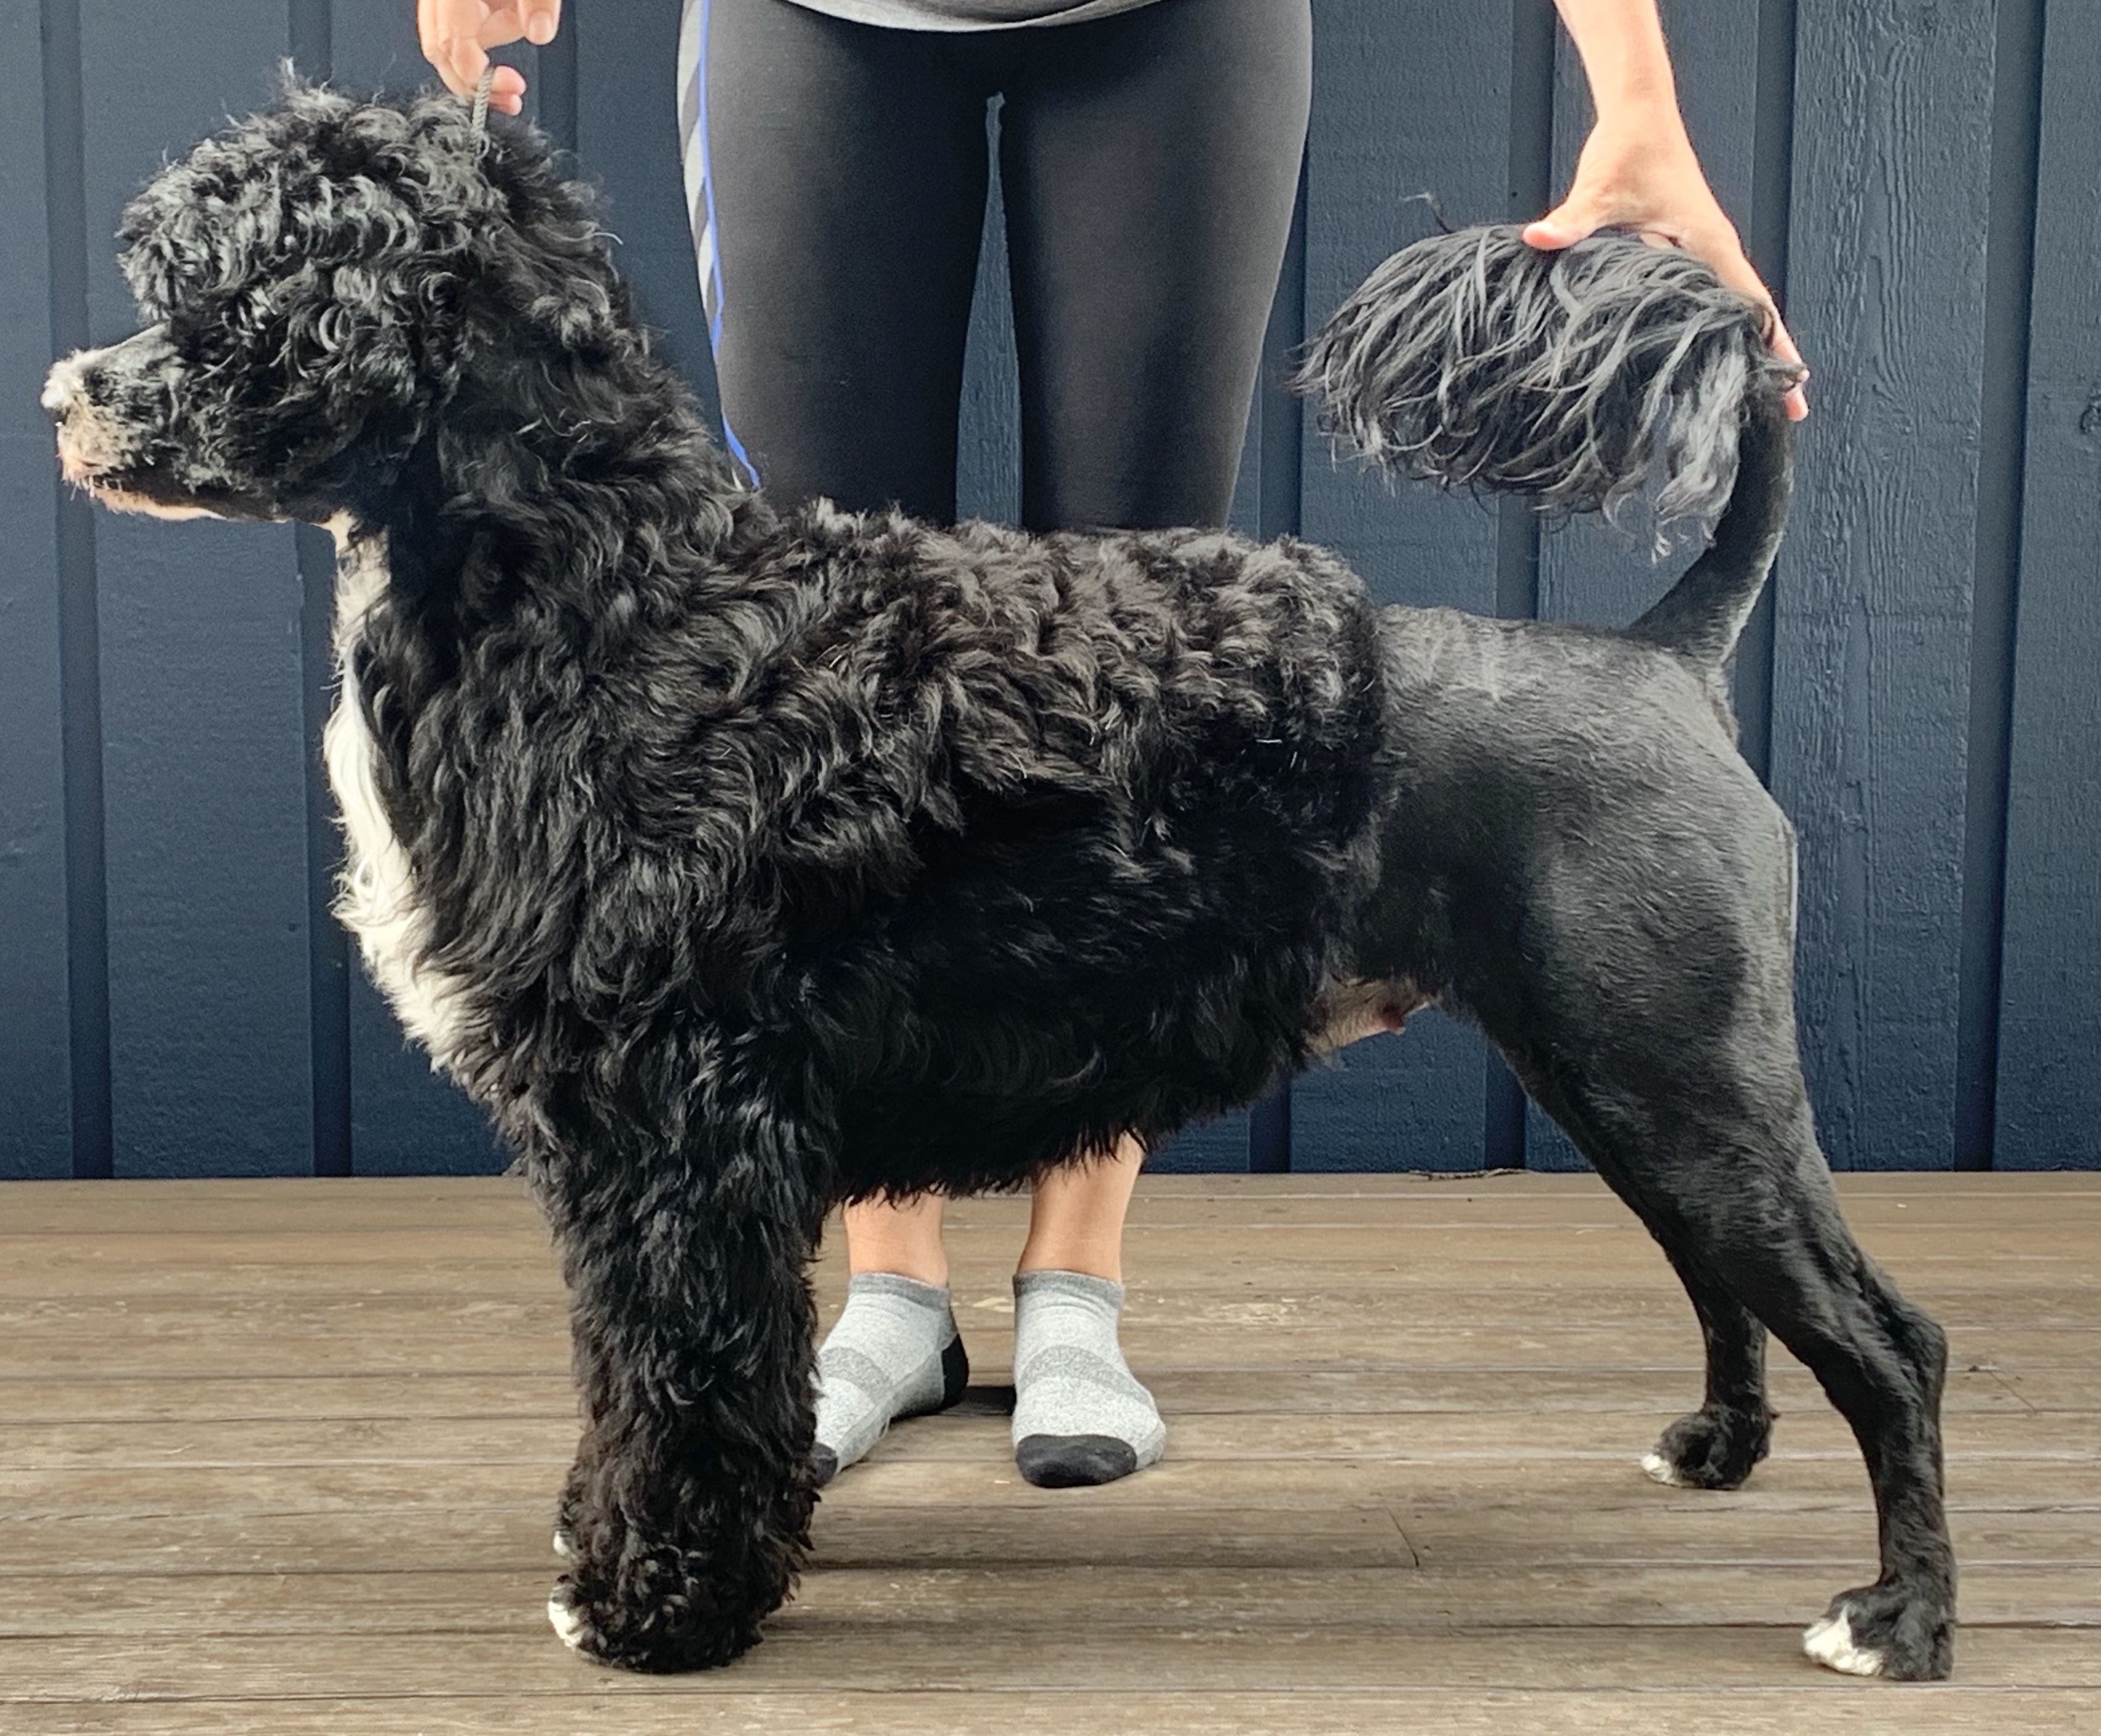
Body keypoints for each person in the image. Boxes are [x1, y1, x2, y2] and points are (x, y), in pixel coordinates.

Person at [421, 0, 1807, 1492]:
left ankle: (1075, 1281)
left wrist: (1637, 97)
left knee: (1149, 672)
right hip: (814, 21)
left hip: (1173, 28)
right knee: (821, 695)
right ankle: (891, 1293)